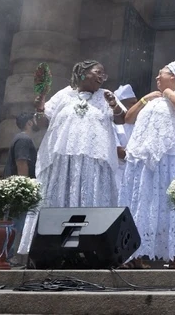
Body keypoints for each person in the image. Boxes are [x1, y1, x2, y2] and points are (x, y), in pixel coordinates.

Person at [18, 61, 122, 255]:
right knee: (60, 200)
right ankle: (52, 248)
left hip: (94, 161)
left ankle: (90, 248)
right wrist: (40, 107)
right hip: (62, 162)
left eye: (104, 74)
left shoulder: (106, 96)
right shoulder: (63, 95)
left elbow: (121, 119)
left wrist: (114, 105)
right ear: (82, 74)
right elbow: (42, 123)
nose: (102, 77)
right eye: (98, 72)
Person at [120, 59, 175, 268]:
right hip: (148, 162)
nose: (158, 77)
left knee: (172, 205)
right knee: (146, 203)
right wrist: (144, 99)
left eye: (162, 74)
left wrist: (168, 92)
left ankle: (174, 254)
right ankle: (139, 254)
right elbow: (128, 118)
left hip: (174, 160)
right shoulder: (152, 100)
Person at [3, 112, 38, 259]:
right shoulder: (24, 139)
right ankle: (6, 258)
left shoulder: (21, 138)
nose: (38, 122)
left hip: (16, 189)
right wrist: (25, 187)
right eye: (35, 119)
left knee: (15, 224)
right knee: (16, 224)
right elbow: (22, 162)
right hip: (19, 191)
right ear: (29, 123)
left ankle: (7, 258)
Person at [113, 84, 137, 190]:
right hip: (118, 172)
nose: (136, 106)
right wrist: (138, 156)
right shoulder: (113, 123)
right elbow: (116, 150)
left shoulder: (138, 121)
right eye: (133, 103)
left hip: (134, 171)